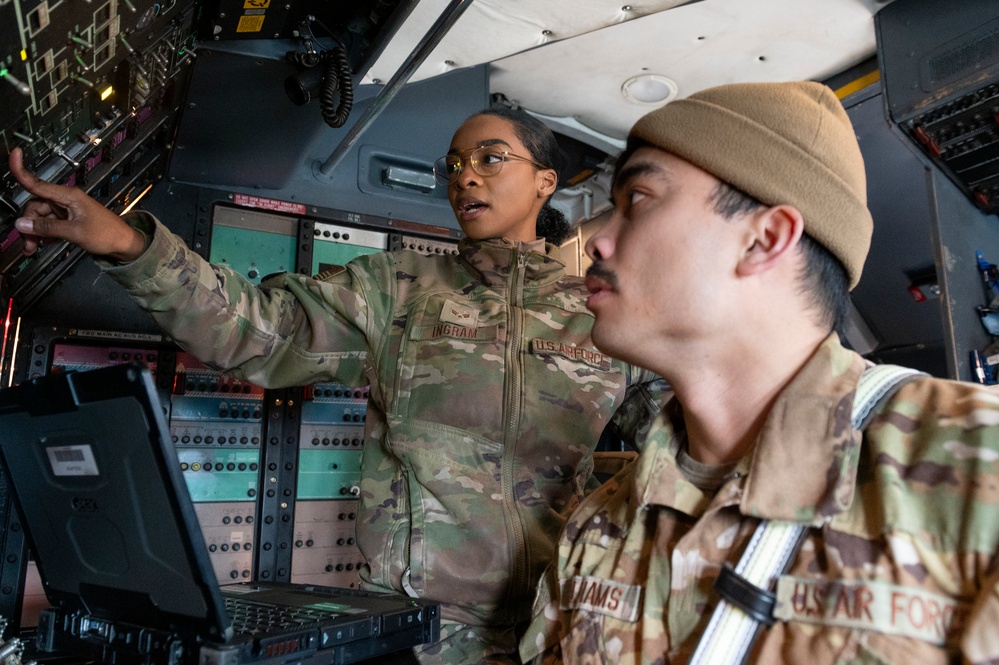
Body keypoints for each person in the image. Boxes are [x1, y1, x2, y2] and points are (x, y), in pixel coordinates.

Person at [9, 106, 664, 664]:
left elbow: (680, 447)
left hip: (561, 629)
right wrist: (127, 243)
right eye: (455, 163)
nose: (464, 175)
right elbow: (264, 328)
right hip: (419, 628)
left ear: (545, 181)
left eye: (491, 159)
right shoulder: (398, 288)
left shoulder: (598, 308)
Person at [518, 81, 999, 664]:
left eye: (638, 199)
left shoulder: (977, 473)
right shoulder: (598, 526)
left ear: (764, 240)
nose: (599, 241)